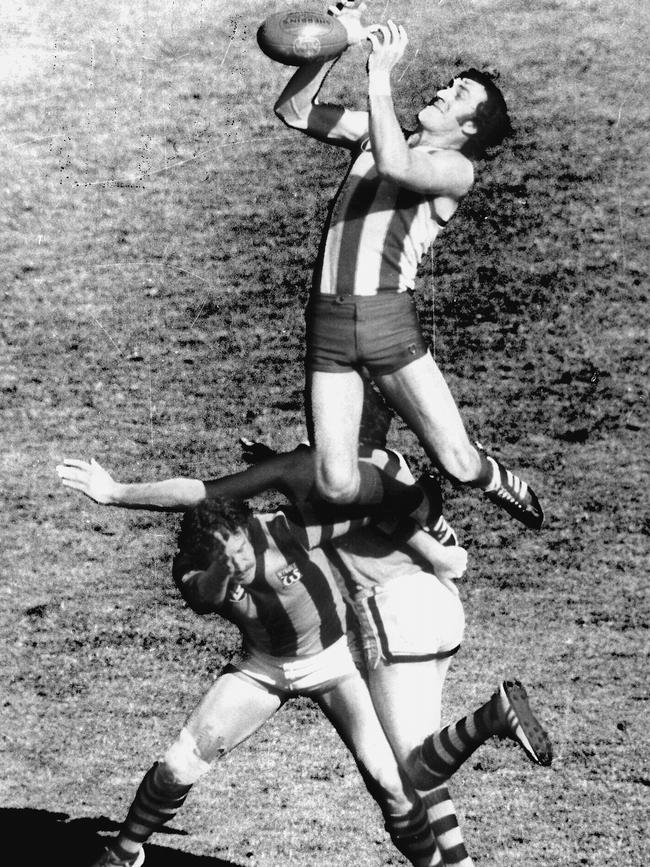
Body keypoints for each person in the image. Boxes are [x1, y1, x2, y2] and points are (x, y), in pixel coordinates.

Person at [58, 415, 552, 867]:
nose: (243, 562)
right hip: (263, 668)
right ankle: (125, 852)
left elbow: (374, 514)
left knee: (395, 786)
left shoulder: (281, 531)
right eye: (228, 557)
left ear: (247, 527)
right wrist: (222, 571)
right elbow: (202, 596)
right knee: (178, 764)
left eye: (242, 549)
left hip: (338, 661)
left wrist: (437, 548)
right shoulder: (193, 567)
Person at [271, 1, 544, 531]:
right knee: (335, 484)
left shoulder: (455, 169)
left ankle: (493, 476)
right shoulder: (378, 133)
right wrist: (338, 39)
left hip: (386, 327)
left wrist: (379, 76)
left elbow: (398, 164)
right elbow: (294, 110)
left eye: (456, 95)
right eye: (448, 85)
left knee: (459, 463)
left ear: (468, 126)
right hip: (326, 323)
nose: (441, 91)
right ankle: (415, 503)